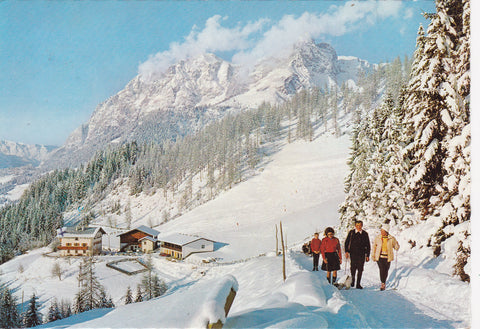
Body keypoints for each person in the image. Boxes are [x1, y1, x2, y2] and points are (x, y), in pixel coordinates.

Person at [372, 224, 400, 291]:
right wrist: (373, 255)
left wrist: (397, 245)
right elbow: (374, 247)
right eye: (381, 230)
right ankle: (383, 283)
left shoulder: (391, 238)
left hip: (388, 257)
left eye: (383, 231)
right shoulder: (378, 238)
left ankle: (383, 281)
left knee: (386, 270)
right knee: (382, 269)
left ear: (386, 231)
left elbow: (396, 247)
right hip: (379, 256)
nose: (381, 232)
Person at [344, 220, 370, 289]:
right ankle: (353, 281)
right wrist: (346, 251)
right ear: (355, 226)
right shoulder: (352, 232)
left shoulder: (365, 234)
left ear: (362, 225)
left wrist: (367, 255)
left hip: (362, 254)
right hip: (353, 253)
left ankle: (358, 284)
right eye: (357, 225)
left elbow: (368, 245)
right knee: (353, 268)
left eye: (360, 225)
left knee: (360, 269)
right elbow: (346, 242)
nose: (359, 227)